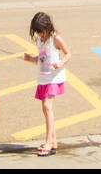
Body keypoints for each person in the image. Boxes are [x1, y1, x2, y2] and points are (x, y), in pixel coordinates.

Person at [23, 11, 69, 157]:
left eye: (41, 31)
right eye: (37, 32)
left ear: (47, 27)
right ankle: (53, 141)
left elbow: (68, 54)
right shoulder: (40, 40)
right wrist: (32, 59)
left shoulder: (55, 38)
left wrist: (60, 63)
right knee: (46, 109)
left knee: (47, 107)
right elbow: (42, 59)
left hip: (54, 77)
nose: (39, 34)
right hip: (43, 78)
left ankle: (49, 142)